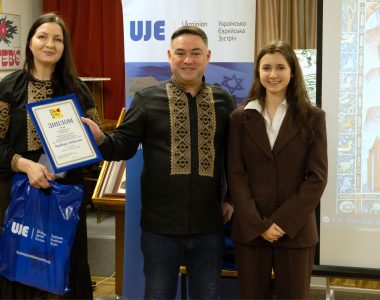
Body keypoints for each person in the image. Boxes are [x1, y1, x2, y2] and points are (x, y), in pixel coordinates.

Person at [82, 26, 235, 299]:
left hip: (208, 226)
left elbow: (234, 158)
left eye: (195, 53)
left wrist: (231, 198)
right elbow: (123, 146)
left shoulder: (224, 100)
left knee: (208, 295)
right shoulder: (146, 99)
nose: (188, 60)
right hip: (160, 228)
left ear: (208, 56)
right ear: (169, 56)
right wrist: (100, 138)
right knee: (158, 294)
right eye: (181, 53)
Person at [0, 13, 99, 299]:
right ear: (30, 42)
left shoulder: (78, 91)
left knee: (64, 267)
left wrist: (93, 143)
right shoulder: (9, 88)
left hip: (65, 198)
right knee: (21, 265)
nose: (49, 44)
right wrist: (26, 165)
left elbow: (97, 150)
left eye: (58, 39)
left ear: (64, 47)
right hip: (18, 194)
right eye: (42, 36)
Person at [227, 40, 328, 299]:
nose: (273, 75)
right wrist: (259, 224)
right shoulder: (240, 118)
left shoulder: (312, 117)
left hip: (295, 232)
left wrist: (280, 222)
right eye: (266, 68)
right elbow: (236, 175)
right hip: (251, 231)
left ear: (292, 71)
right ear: (258, 73)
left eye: (280, 67)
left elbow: (316, 178)